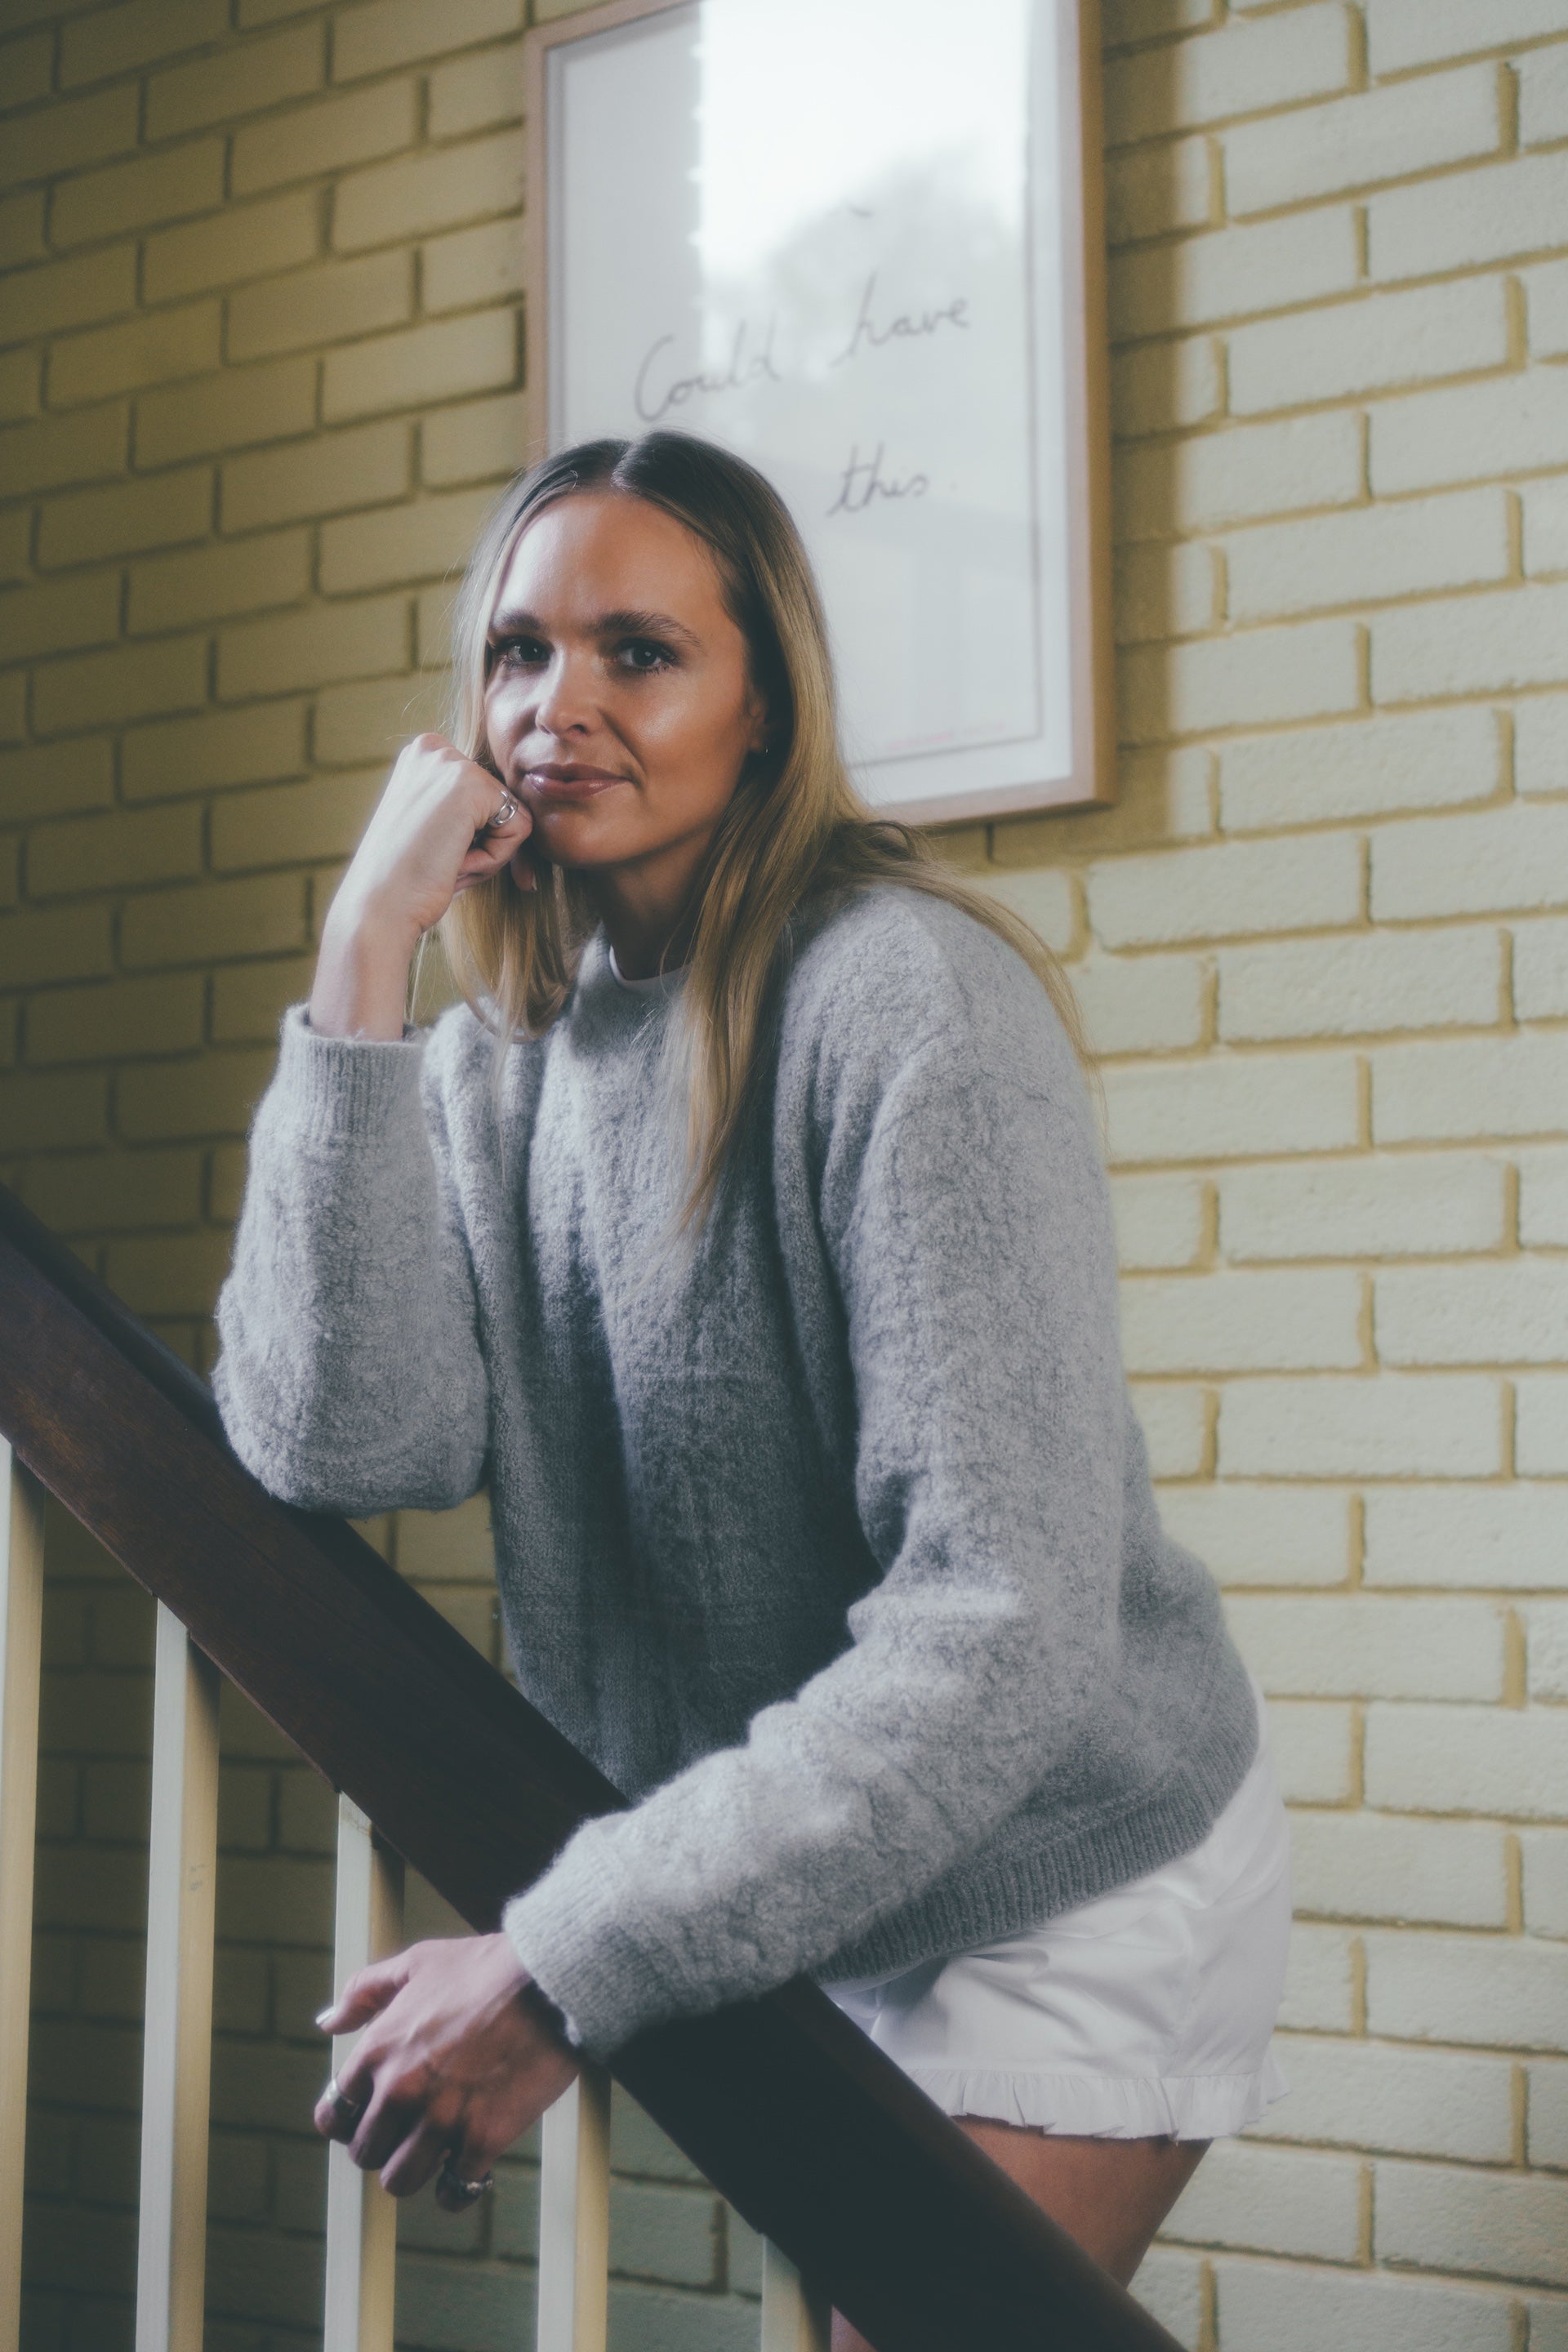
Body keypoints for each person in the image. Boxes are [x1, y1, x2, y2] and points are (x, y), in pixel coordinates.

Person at [212, 429, 1290, 2322]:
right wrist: (362, 956)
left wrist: (560, 1963)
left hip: (1055, 1868)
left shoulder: (905, 1000)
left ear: (769, 714)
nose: (562, 705)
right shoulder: (493, 1062)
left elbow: (1001, 1621)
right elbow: (336, 1437)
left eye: (642, 651)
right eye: (521, 652)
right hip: (809, 1872)